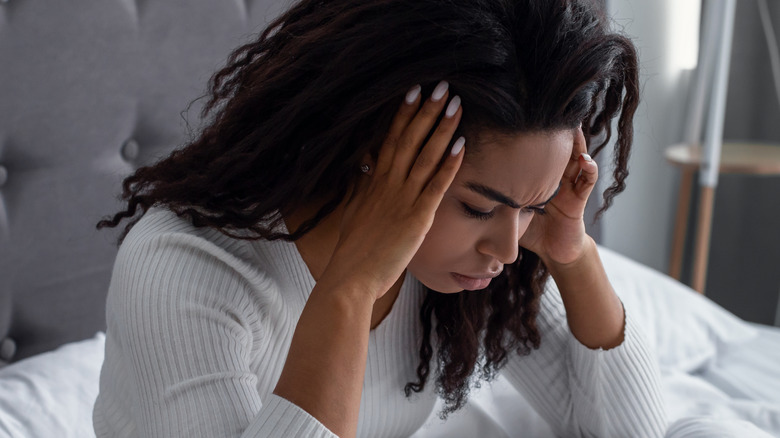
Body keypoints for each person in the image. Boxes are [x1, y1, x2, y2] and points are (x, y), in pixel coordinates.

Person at [93, 0, 668, 437]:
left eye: (533, 208)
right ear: (375, 152)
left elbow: (629, 432)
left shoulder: (467, 261)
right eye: (479, 207)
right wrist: (350, 290)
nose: (509, 248)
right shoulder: (184, 271)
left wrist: (574, 256)